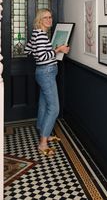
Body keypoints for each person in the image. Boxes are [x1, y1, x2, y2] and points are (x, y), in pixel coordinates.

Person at [24, 9, 70, 156]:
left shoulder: (36, 33)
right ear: (39, 20)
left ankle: (45, 132)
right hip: (47, 72)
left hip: (43, 72)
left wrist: (41, 51)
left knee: (44, 104)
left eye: (50, 17)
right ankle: (43, 143)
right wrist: (59, 49)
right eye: (46, 18)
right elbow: (43, 57)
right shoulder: (42, 36)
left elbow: (27, 49)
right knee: (54, 108)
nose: (49, 20)